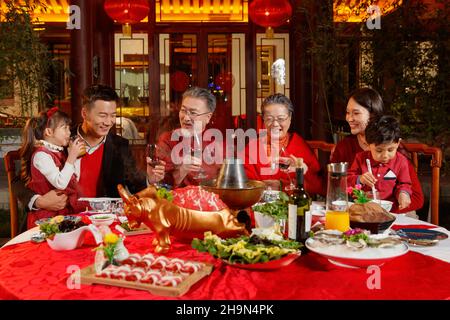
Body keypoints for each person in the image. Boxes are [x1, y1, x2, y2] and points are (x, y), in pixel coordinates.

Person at [13, 84, 164, 217]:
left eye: (113, 116)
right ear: (84, 114)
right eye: (103, 115)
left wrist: (149, 179)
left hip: (103, 222)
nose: (108, 122)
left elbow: (135, 186)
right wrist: (40, 201)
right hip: (60, 219)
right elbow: (19, 181)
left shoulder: (120, 146)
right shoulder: (60, 139)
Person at [331, 87, 423, 214]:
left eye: (356, 113)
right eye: (347, 113)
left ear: (373, 115)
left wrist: (381, 209)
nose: (349, 118)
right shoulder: (345, 148)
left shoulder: (396, 153)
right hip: (358, 211)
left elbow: (416, 198)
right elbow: (334, 189)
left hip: (394, 213)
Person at [243, 93, 323, 196]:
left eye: (281, 119)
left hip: (294, 206)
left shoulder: (299, 146)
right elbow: (245, 185)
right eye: (269, 119)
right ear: (263, 119)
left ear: (290, 118)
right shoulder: (252, 148)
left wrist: (302, 172)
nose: (275, 124)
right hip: (260, 207)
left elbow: (318, 187)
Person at [19, 107, 86, 228]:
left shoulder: (58, 152)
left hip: (60, 213)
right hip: (45, 217)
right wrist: (71, 157)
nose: (69, 132)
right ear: (49, 132)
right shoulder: (41, 155)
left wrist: (76, 157)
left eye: (68, 128)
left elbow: (74, 178)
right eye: (64, 128)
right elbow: (60, 183)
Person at [156, 86, 222, 187]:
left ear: (208, 117)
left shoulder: (217, 142)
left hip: (210, 200)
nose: (186, 118)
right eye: (183, 111)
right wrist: (182, 170)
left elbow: (226, 182)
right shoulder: (168, 140)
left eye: (193, 113)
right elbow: (161, 185)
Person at [348, 115, 412, 210]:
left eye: (390, 150)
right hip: (363, 207)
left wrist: (403, 194)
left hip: (390, 208)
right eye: (379, 150)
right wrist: (360, 179)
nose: (385, 155)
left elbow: (404, 184)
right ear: (368, 145)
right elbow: (347, 179)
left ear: (398, 143)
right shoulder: (360, 158)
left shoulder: (401, 161)